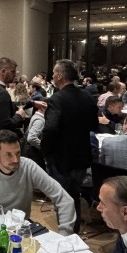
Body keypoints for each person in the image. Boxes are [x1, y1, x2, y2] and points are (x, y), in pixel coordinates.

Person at [0, 130, 75, 235]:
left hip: (22, 228)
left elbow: (64, 199)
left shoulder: (28, 167)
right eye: (9, 154)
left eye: (18, 153)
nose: (16, 160)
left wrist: (65, 234)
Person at [40, 58, 99, 234]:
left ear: (59, 75)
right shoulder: (87, 96)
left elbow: (51, 129)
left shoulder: (56, 99)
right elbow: (94, 125)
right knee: (74, 196)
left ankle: (65, 236)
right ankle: (74, 233)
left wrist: (45, 150)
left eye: (53, 73)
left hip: (61, 158)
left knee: (62, 200)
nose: (52, 76)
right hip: (81, 157)